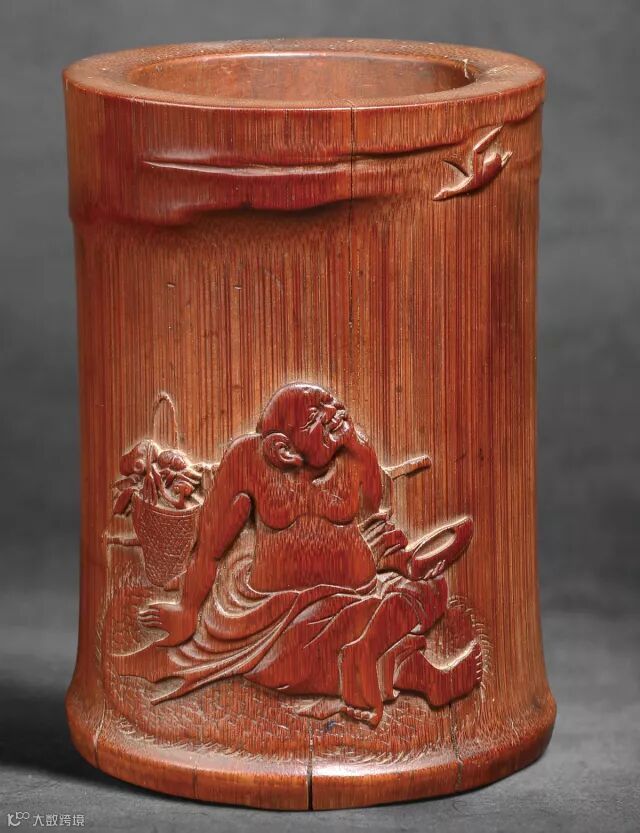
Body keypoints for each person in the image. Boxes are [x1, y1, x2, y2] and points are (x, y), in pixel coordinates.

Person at [114, 382, 481, 725]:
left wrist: (356, 443)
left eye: (330, 405)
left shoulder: (348, 450)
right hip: (284, 616)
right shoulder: (248, 462)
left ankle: (366, 650)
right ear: (284, 449)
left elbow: (373, 502)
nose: (333, 415)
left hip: (361, 595)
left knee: (433, 588)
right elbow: (209, 549)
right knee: (315, 653)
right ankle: (427, 679)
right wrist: (187, 609)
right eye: (316, 417)